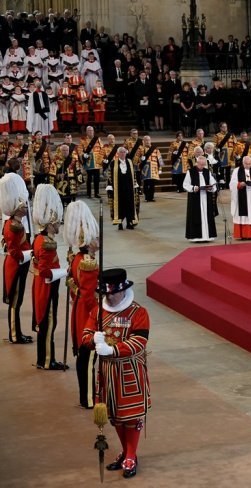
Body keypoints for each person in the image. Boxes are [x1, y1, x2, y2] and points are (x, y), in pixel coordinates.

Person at [82, 268, 150, 479]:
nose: (109, 297)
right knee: (115, 417)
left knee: (131, 416)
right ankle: (125, 451)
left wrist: (113, 349)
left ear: (123, 290)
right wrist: (94, 340)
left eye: (113, 293)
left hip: (129, 372)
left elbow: (139, 342)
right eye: (106, 293)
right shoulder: (97, 311)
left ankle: (131, 454)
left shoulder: (138, 312)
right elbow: (85, 334)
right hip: (106, 373)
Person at [63, 200, 100, 408]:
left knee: (84, 357)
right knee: (88, 357)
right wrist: (99, 317)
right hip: (87, 314)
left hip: (79, 311)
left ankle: (85, 395)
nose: (98, 239)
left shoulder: (78, 258)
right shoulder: (88, 262)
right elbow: (88, 296)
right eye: (95, 237)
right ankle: (88, 398)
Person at [31, 183, 68, 370]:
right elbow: (46, 271)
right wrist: (65, 272)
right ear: (51, 223)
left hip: (41, 284)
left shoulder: (40, 239)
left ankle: (43, 358)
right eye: (58, 222)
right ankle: (47, 360)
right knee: (48, 323)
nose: (59, 224)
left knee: (45, 323)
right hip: (47, 285)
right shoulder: (47, 243)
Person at [1, 172, 33, 344]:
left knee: (18, 300)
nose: (25, 207)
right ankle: (14, 334)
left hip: (19, 264)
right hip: (15, 265)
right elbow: (14, 251)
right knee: (15, 302)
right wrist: (30, 254)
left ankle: (17, 332)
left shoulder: (16, 223)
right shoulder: (13, 226)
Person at [184, 155, 217, 242]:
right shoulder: (190, 172)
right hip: (195, 198)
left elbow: (213, 183)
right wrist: (194, 188)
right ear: (197, 163)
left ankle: (207, 236)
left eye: (204, 165)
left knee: (207, 215)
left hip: (206, 197)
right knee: (196, 216)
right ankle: (196, 237)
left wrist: (211, 188)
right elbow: (186, 184)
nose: (202, 166)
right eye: (201, 165)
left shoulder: (207, 172)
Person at [229, 155, 251, 240]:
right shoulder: (237, 171)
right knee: (243, 214)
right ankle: (243, 234)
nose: (248, 166)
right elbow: (232, 183)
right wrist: (239, 184)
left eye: (249, 164)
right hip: (242, 196)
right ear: (243, 163)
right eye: (246, 164)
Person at [106, 147, 139, 230]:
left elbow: (133, 174)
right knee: (120, 205)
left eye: (124, 152)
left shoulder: (130, 162)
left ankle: (129, 223)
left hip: (129, 187)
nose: (123, 154)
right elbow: (110, 174)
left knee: (129, 205)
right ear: (118, 153)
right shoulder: (113, 163)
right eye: (121, 152)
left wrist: (135, 183)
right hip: (118, 188)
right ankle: (119, 223)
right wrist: (110, 186)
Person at [137, 135, 162, 202]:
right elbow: (136, 160)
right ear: (143, 141)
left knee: (152, 184)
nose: (147, 141)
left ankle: (152, 197)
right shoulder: (140, 149)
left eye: (148, 140)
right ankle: (147, 197)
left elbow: (159, 159)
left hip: (154, 168)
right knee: (146, 183)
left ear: (150, 140)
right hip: (145, 169)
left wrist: (160, 169)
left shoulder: (155, 149)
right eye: (146, 140)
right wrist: (140, 160)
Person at [81, 125, 104, 198]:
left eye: (91, 130)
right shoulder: (83, 140)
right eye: (89, 131)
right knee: (89, 179)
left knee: (97, 178)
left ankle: (96, 193)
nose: (90, 132)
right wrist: (83, 155)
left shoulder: (98, 139)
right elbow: (79, 150)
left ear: (93, 131)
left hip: (97, 161)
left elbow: (102, 149)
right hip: (89, 162)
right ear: (86, 132)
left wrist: (102, 158)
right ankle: (89, 193)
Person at [213, 121, 237, 190]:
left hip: (229, 155)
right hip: (222, 155)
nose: (225, 128)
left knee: (228, 171)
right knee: (221, 170)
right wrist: (216, 150)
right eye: (223, 127)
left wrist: (234, 153)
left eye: (225, 126)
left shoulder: (231, 135)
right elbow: (214, 145)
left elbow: (235, 144)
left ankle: (228, 185)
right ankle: (222, 185)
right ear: (220, 128)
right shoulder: (217, 135)